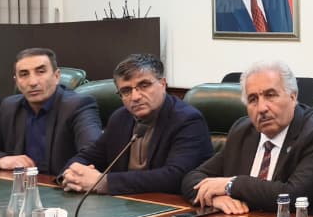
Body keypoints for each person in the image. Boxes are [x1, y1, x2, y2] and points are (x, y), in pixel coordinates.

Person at [182, 60, 313, 214]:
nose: (261, 108)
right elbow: (192, 179)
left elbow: (293, 196)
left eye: (270, 95)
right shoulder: (243, 131)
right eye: (253, 99)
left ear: (293, 96)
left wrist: (231, 185)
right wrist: (215, 198)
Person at [59, 54, 213, 195]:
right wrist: (70, 174)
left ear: (162, 84)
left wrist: (104, 182)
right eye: (126, 91)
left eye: (144, 85)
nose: (135, 97)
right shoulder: (120, 118)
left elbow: (175, 176)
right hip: (124, 204)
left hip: (170, 207)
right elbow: (88, 156)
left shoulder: (187, 120)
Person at [0, 48, 102, 176]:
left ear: (57, 76)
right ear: (16, 82)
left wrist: (65, 178)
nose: (33, 82)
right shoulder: (10, 107)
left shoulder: (78, 105)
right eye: (24, 74)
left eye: (41, 72)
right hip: (20, 189)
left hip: (61, 188)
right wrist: (1, 159)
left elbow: (93, 155)